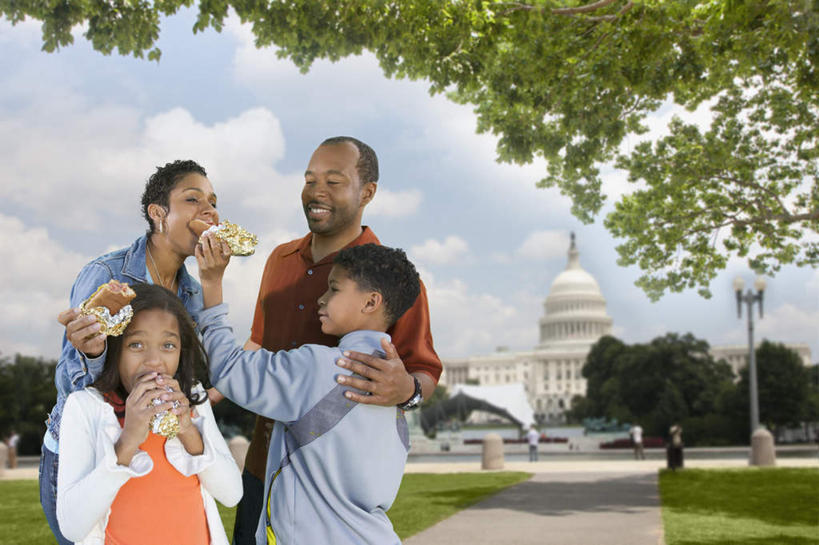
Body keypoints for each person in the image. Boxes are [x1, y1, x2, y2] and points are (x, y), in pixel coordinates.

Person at [222, 136, 443, 544]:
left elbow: (424, 372)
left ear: (368, 192)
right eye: (309, 180)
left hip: (330, 490)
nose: (316, 192)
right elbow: (257, 346)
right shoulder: (279, 260)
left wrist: (407, 389)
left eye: (334, 181)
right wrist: (201, 396)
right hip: (261, 468)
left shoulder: (392, 280)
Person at [42, 160, 219, 544]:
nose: (210, 211)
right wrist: (92, 353)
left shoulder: (192, 292)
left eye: (213, 202)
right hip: (89, 449)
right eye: (193, 199)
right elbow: (72, 388)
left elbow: (191, 378)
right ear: (158, 213)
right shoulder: (108, 274)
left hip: (154, 449)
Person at [196, 239, 419, 544]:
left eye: (334, 289)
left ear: (370, 302)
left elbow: (228, 368)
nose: (321, 299)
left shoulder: (318, 368)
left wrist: (212, 283)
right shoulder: (396, 395)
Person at [56, 283, 242, 544]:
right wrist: (128, 441)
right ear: (116, 347)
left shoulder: (193, 400)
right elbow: (72, 527)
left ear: (181, 351)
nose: (153, 360)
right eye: (136, 345)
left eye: (168, 345)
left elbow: (232, 495)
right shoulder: (85, 407)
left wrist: (189, 431)